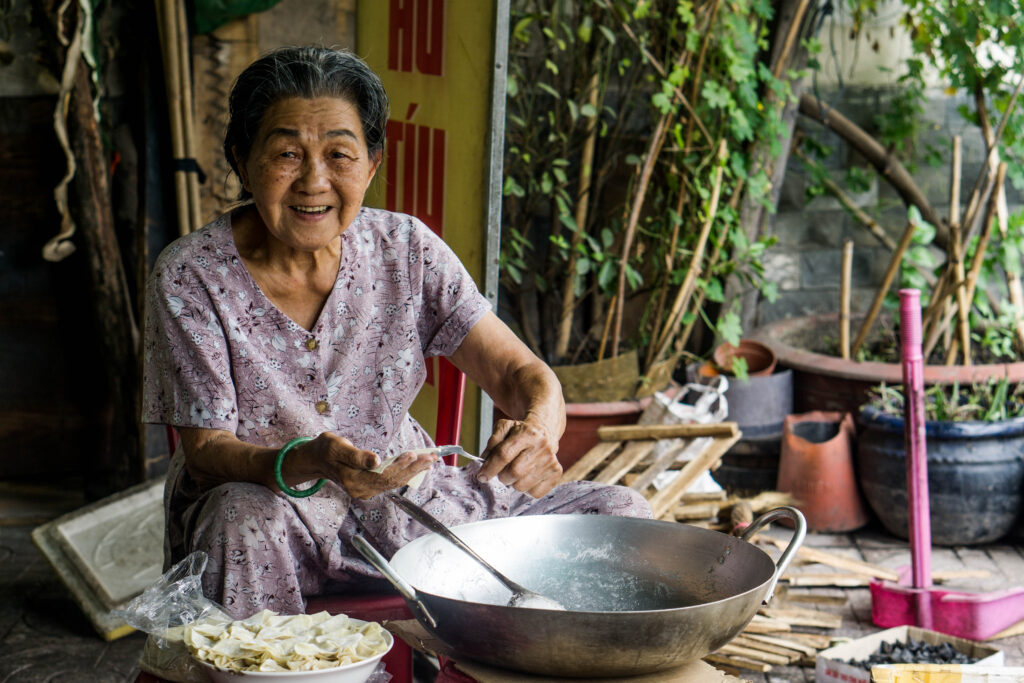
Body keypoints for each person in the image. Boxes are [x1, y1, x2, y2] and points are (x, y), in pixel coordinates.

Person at [143, 46, 651, 618]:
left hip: (411, 516)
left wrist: (537, 431)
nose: (314, 181)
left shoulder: (405, 250)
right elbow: (208, 452)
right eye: (287, 153)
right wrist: (309, 461)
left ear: (372, 164)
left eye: (339, 154)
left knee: (621, 515)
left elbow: (522, 375)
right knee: (240, 518)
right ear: (242, 157)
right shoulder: (191, 275)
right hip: (273, 525)